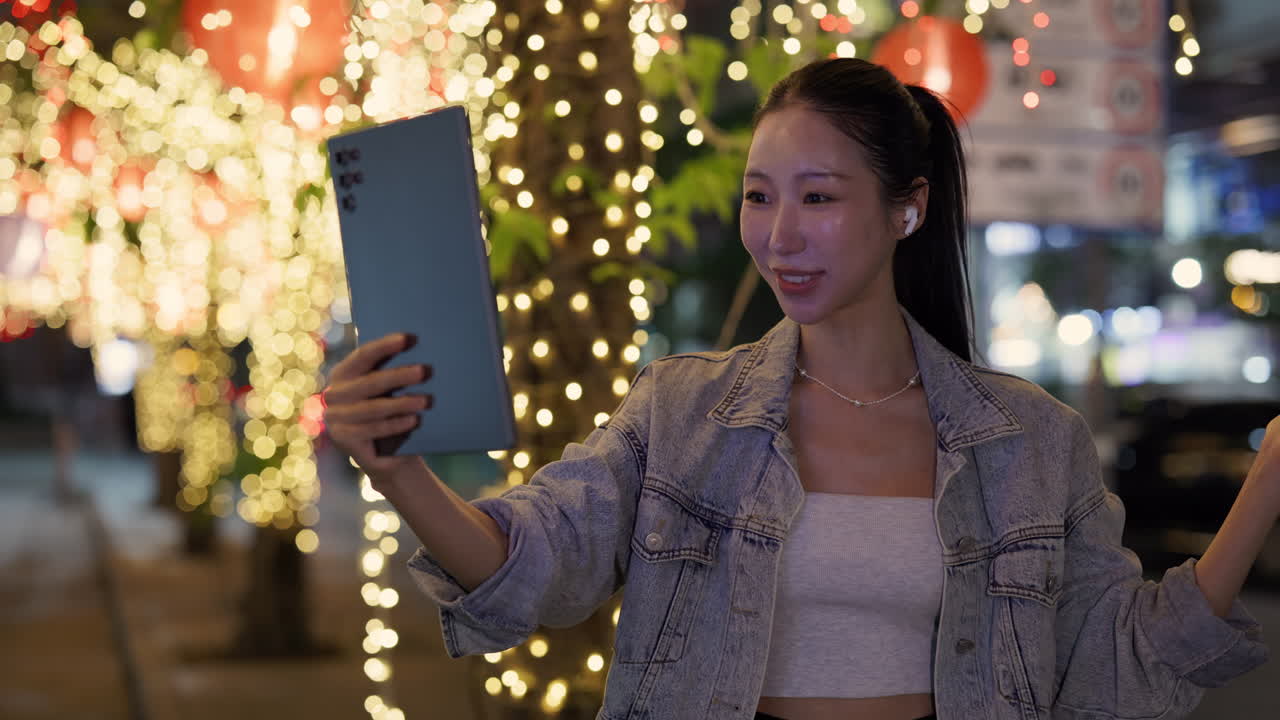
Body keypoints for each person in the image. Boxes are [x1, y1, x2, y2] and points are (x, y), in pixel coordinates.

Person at [322, 58, 1277, 720]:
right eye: (758, 194)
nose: (778, 235)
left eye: (818, 197)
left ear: (907, 208)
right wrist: (398, 472)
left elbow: (1114, 666)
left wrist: (1267, 480)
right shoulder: (683, 412)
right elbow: (533, 566)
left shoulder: (1030, 439)